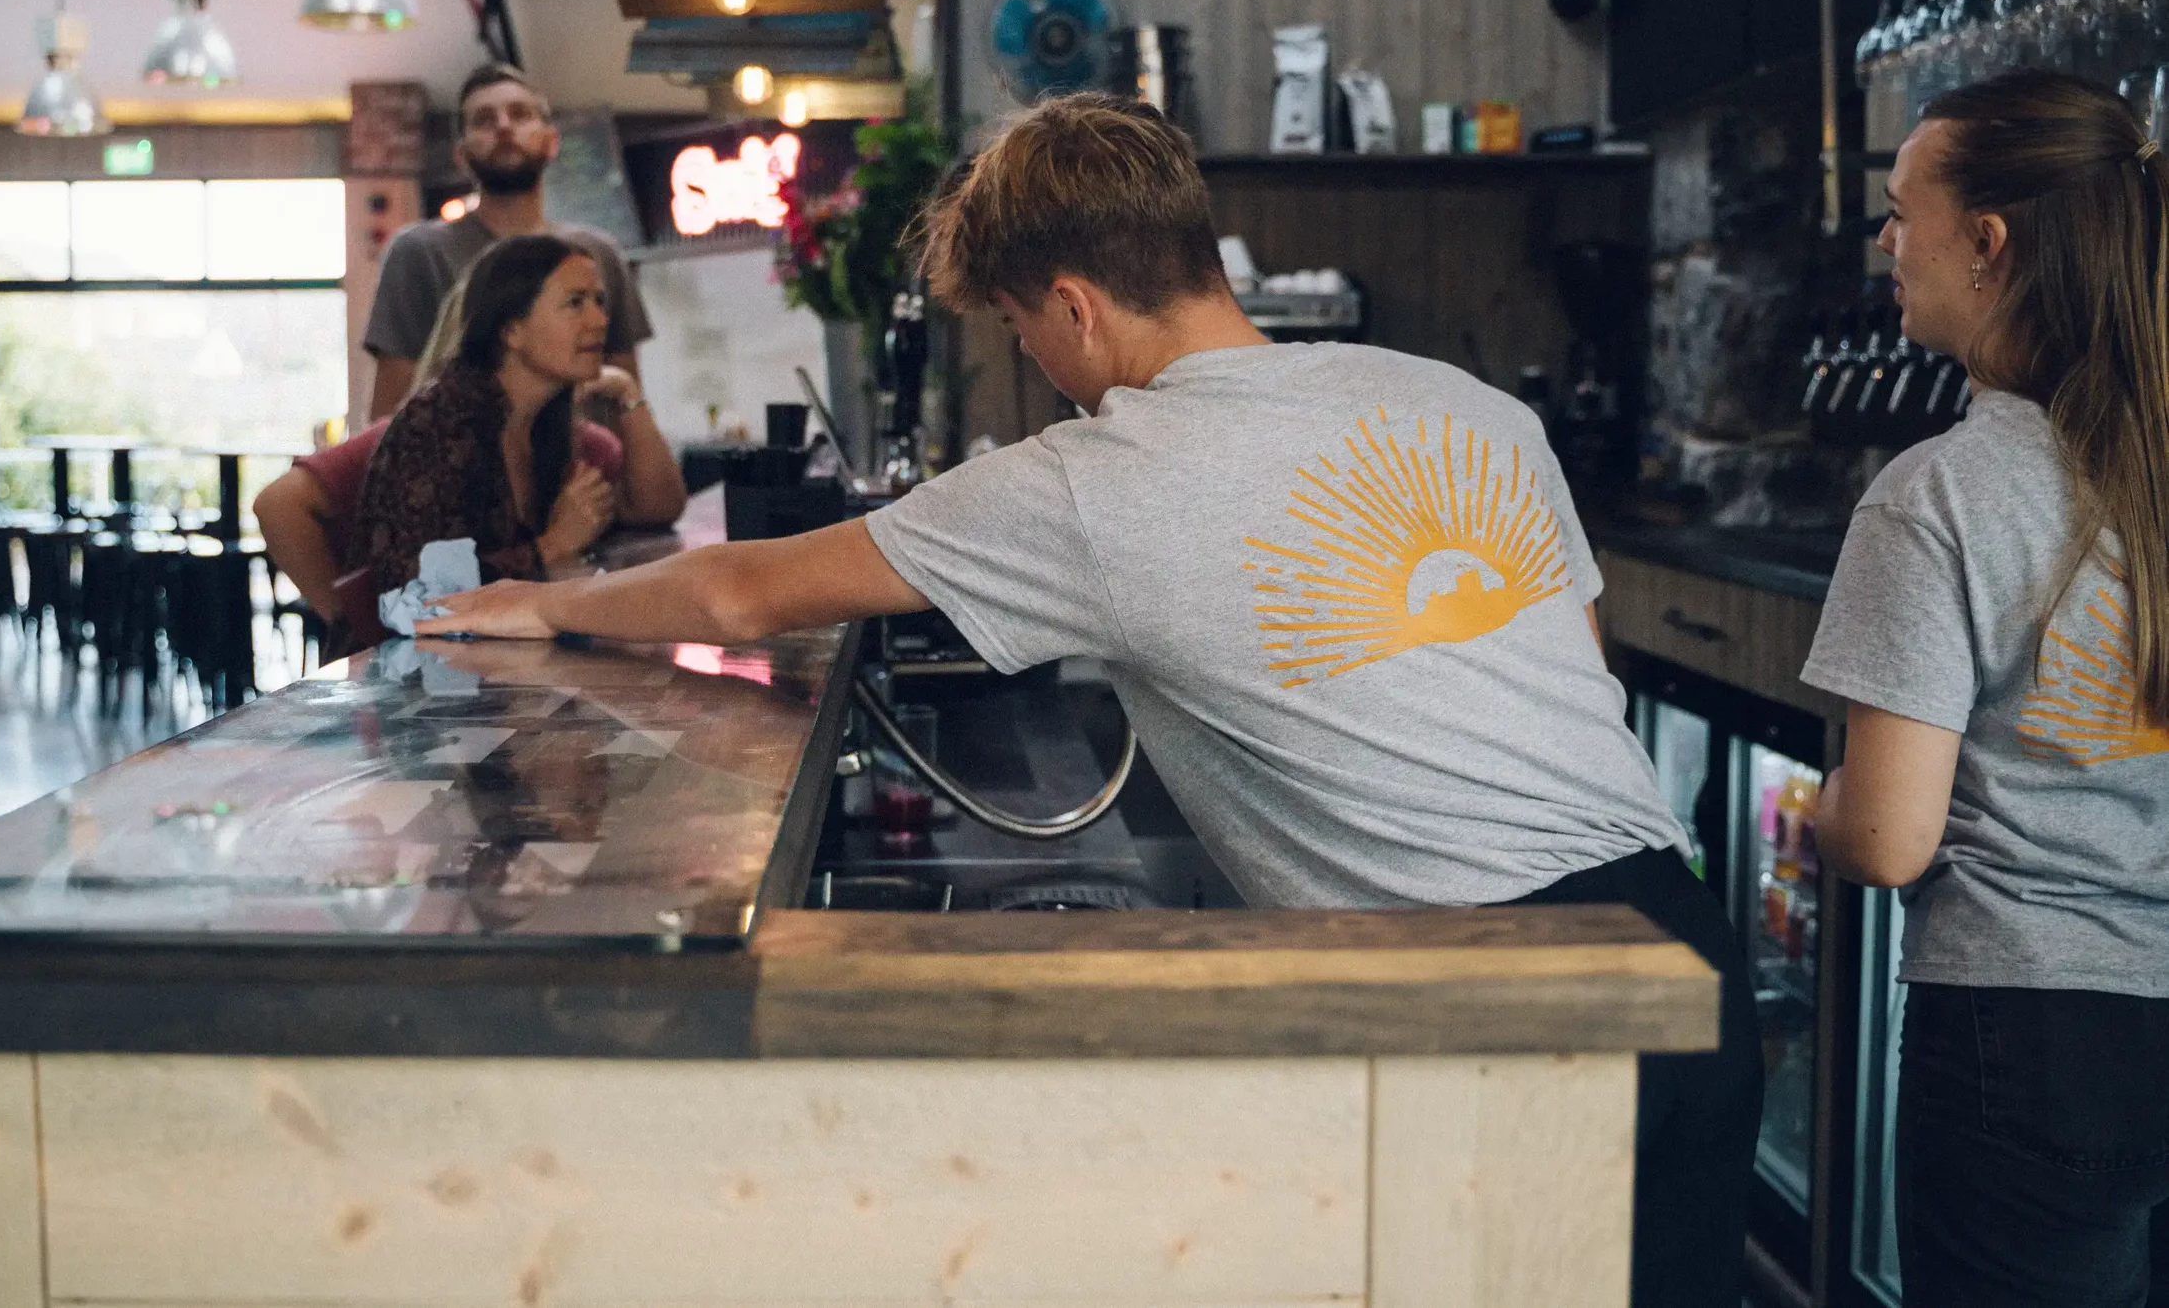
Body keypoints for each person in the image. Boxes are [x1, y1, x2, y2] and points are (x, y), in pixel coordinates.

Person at [419, 94, 1762, 1308]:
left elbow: (740, 593)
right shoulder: (1462, 403)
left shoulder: (1095, 478)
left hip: (1489, 1011)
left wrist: (548, 602)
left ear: (1072, 304)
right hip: (1686, 964)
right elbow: (1583, 671)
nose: (1029, 356)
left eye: (1016, 326)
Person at [1802, 71, 2169, 1308]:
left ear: (1987, 242)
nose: (1886, 241)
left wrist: (1820, 803)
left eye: (1901, 210)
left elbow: (1883, 839)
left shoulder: (1937, 492)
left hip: (2028, 1026)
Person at [359, 233, 686, 596]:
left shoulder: (548, 420)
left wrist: (626, 390)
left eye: (599, 301)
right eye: (575, 302)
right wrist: (553, 545)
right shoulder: (438, 425)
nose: (599, 320)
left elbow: (658, 508)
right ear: (511, 330)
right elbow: (413, 591)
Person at [360, 64, 652, 421]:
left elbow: (628, 405)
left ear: (552, 142)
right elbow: (389, 417)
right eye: (484, 120)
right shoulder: (420, 253)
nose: (503, 126)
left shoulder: (599, 256)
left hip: (582, 454)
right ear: (461, 155)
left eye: (520, 114)